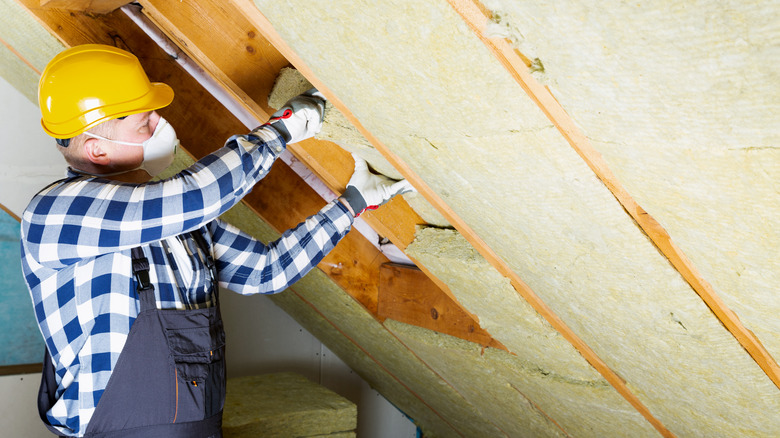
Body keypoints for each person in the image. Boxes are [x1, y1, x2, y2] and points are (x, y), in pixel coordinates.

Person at [21, 44, 413, 437]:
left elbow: (266, 271)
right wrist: (281, 130)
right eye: (144, 122)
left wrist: (351, 205)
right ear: (98, 150)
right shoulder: (54, 213)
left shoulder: (175, 219)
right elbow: (196, 196)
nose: (159, 122)